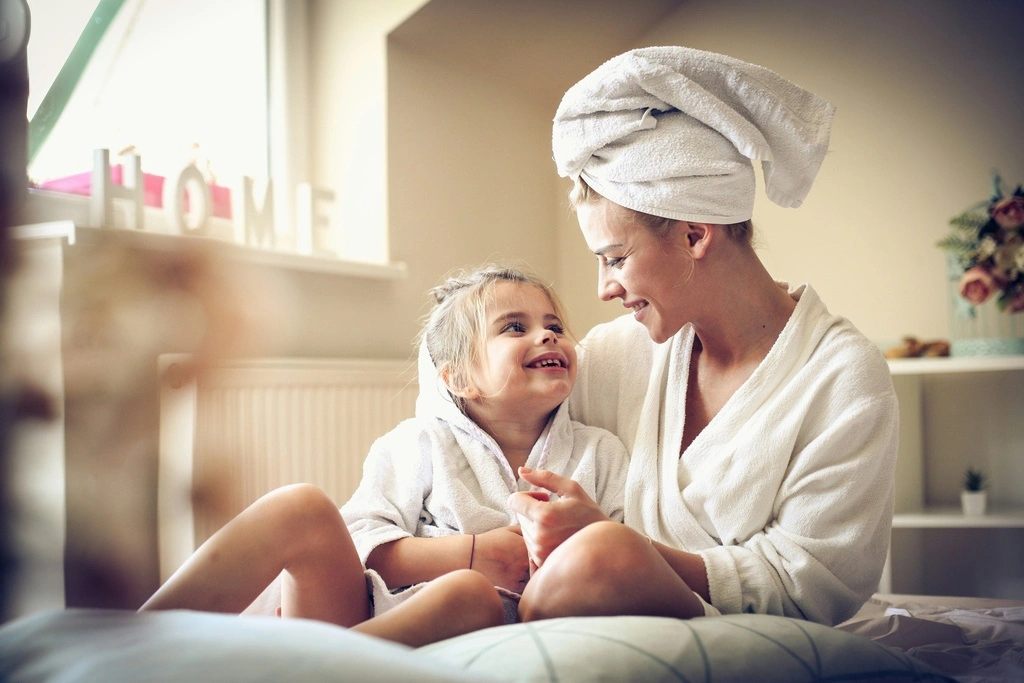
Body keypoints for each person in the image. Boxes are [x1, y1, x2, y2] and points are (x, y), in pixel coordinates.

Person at [503, 46, 900, 627]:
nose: (603, 289)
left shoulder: (842, 379)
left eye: (614, 258)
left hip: (758, 639)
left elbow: (812, 583)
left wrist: (620, 553)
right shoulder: (619, 356)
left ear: (694, 235)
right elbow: (466, 409)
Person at [140, 263, 631, 645]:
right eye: (514, 327)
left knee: (468, 595)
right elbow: (360, 539)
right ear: (459, 380)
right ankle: (136, 641)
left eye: (554, 325)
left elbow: (620, 562)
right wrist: (474, 554)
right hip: (355, 615)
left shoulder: (598, 455)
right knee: (301, 506)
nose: (547, 335)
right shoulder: (419, 444)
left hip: (448, 628)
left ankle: (296, 665)